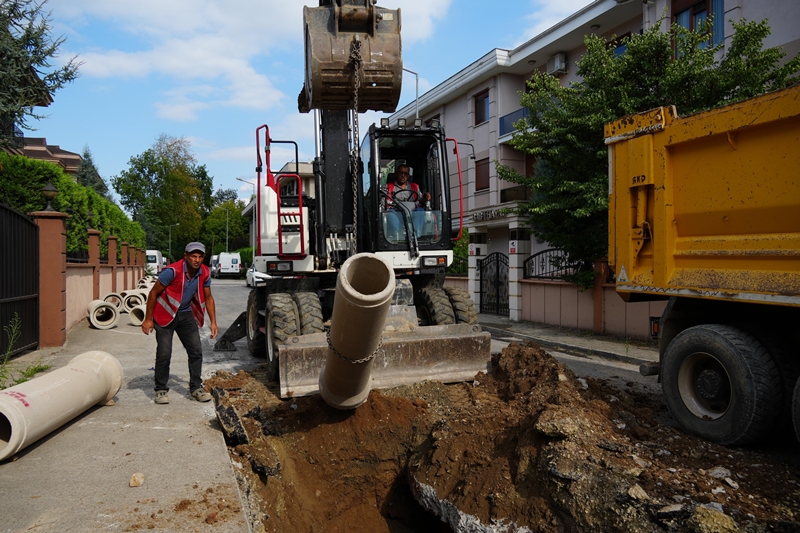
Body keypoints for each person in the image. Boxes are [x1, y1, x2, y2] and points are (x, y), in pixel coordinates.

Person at [141, 242, 219, 404]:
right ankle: (161, 390)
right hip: (165, 315)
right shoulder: (172, 272)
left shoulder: (204, 272)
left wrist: (213, 322)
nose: (196, 260)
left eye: (200, 256)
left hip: (185, 315)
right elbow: (153, 294)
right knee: (164, 353)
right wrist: (148, 319)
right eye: (193, 256)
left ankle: (196, 387)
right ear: (186, 256)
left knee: (196, 351)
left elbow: (208, 297)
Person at [385, 164, 431, 239]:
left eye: (405, 173)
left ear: (408, 175)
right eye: (401, 173)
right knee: (390, 213)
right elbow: (385, 201)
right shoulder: (389, 186)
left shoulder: (415, 186)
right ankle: (396, 236)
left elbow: (421, 201)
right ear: (396, 173)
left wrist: (426, 196)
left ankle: (416, 236)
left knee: (420, 210)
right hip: (396, 212)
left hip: (412, 214)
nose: (403, 175)